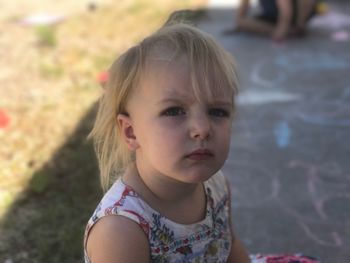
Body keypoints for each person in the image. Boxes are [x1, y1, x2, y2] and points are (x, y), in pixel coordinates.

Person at [83, 22, 251, 263]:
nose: (202, 129)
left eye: (217, 111)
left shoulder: (217, 185)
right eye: (174, 111)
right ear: (131, 132)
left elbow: (231, 248)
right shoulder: (121, 230)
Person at [224, 0, 319, 41]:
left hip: (291, 16)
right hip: (272, 16)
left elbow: (286, 11)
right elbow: (241, 14)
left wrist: (282, 30)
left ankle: (298, 27)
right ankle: (291, 31)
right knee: (242, 23)